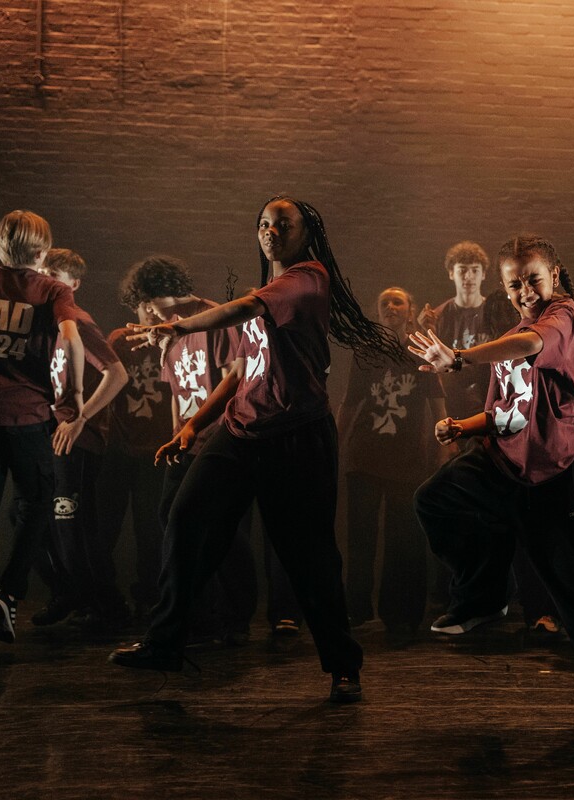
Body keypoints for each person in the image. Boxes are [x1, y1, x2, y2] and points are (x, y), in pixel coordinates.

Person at [109, 196, 403, 703]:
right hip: (241, 430)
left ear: (305, 232)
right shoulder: (266, 289)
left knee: (309, 556)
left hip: (297, 435)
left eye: (282, 224)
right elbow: (242, 370)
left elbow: (245, 309)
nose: (271, 231)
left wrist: (179, 325)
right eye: (264, 224)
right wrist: (194, 423)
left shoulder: (309, 278)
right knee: (184, 519)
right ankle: (165, 642)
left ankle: (343, 665)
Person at [410, 234, 574, 725]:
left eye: (533, 279)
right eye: (514, 283)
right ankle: (484, 595)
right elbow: (506, 411)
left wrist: (458, 355)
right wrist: (461, 425)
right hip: (505, 461)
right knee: (435, 498)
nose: (525, 290)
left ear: (556, 276)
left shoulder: (561, 316)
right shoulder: (515, 330)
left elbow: (532, 344)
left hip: (556, 472)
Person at [0, 210, 84, 666]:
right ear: (42, 251)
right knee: (40, 498)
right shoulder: (51, 289)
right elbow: (70, 337)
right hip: (24, 415)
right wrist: (76, 397)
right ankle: (7, 593)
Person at [122, 255, 264, 643]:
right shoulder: (169, 334)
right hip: (187, 441)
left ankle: (235, 616)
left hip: (220, 438)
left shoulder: (214, 319)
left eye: (147, 303)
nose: (146, 314)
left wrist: (195, 426)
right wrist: (176, 433)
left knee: (220, 526)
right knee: (172, 517)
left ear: (155, 296)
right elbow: (175, 391)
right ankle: (195, 613)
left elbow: (235, 379)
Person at [338, 287, 446, 632]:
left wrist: (444, 449)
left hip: (407, 460)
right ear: (378, 312)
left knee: (403, 540)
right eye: (384, 302)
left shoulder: (421, 352)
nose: (390, 306)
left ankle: (399, 614)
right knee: (361, 538)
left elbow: (437, 405)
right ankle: (357, 609)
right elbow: (350, 403)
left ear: (410, 309)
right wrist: (336, 445)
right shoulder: (365, 351)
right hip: (365, 456)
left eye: (398, 301)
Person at [34, 248, 131, 632]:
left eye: (54, 276)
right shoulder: (50, 324)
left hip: (78, 440)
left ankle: (107, 604)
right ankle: (73, 593)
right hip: (51, 437)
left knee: (72, 522)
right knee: (36, 518)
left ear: (73, 284)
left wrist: (80, 419)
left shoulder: (79, 321)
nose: (47, 282)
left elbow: (117, 374)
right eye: (42, 274)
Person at [91, 292, 172, 623]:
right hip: (120, 447)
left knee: (150, 529)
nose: (151, 311)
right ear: (135, 306)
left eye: (157, 304)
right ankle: (103, 600)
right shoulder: (120, 338)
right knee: (103, 526)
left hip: (156, 449)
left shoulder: (176, 335)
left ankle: (149, 598)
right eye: (145, 304)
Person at [418, 241, 491, 417]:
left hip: (489, 400)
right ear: (451, 273)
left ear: (483, 275)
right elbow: (429, 367)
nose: (469, 276)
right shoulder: (438, 315)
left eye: (475, 270)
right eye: (463, 270)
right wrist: (425, 331)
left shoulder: (495, 312)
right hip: (452, 403)